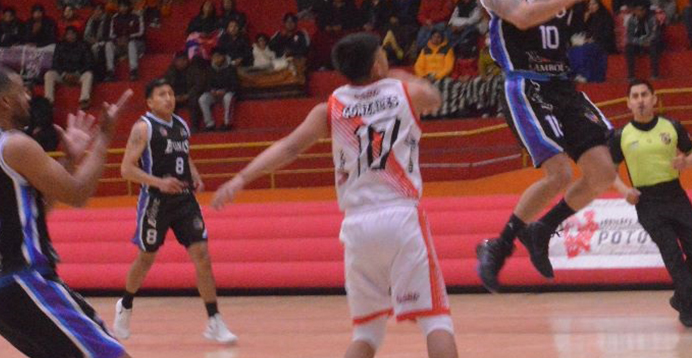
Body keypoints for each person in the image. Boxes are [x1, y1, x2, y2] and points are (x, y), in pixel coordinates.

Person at [211, 34, 457, 358]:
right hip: (400, 216)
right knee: (436, 320)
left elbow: (289, 147)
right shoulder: (404, 92)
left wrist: (242, 177)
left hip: (356, 227)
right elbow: (435, 97)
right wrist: (402, 75)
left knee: (367, 332)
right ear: (377, 63)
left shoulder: (331, 106)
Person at [475, 0, 667, 293]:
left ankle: (543, 228)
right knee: (560, 173)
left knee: (600, 170)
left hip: (562, 86)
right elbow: (524, 16)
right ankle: (499, 245)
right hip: (525, 84)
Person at [0, 78, 132, 358]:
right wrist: (105, 137)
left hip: (9, 291)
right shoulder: (16, 146)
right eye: (21, 90)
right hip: (25, 280)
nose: (28, 96)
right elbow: (78, 193)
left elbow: (33, 211)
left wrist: (70, 161)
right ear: (4, 101)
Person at [113, 79, 236, 345]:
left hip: (184, 200)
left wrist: (195, 175)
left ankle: (214, 319)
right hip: (155, 200)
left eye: (170, 93)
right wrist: (159, 182)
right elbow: (126, 169)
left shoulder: (181, 125)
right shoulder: (142, 128)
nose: (168, 98)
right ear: (149, 102)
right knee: (146, 258)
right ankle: (125, 305)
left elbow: (185, 156)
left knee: (202, 254)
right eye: (161, 95)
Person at [609, 79, 692, 328]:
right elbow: (608, 172)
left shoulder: (672, 126)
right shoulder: (620, 136)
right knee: (672, 254)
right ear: (629, 103)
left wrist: (686, 163)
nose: (641, 100)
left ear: (654, 99)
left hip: (676, 196)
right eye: (635, 96)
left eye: (645, 95)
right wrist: (624, 190)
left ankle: (682, 300)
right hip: (647, 202)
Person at [45, 26, 95, 110]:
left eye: (72, 34)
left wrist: (77, 73)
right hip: (63, 75)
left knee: (88, 75)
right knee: (49, 74)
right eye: (68, 34)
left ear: (76, 35)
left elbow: (89, 63)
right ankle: (49, 101)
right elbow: (55, 63)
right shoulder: (60, 46)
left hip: (78, 75)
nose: (70, 36)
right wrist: (64, 74)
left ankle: (84, 100)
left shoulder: (83, 45)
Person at [106, 0, 145, 81]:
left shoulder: (137, 16)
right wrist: (117, 40)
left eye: (125, 6)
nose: (123, 9)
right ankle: (110, 71)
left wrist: (128, 38)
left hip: (136, 44)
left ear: (129, 6)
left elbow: (141, 33)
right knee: (108, 45)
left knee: (131, 44)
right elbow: (111, 34)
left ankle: (133, 71)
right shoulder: (115, 18)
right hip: (120, 45)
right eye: (121, 6)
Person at [163, 51, 208, 123]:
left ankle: (194, 124)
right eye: (177, 61)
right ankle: (169, 125)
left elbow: (199, 84)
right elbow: (165, 85)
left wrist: (188, 95)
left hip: (190, 94)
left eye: (182, 60)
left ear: (186, 60)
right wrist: (173, 95)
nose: (179, 63)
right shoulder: (171, 71)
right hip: (176, 95)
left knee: (195, 100)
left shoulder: (194, 69)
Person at [199, 49, 238, 131]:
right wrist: (211, 90)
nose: (216, 59)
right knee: (202, 99)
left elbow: (235, 85)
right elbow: (206, 84)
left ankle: (227, 123)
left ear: (223, 57)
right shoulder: (209, 69)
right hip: (215, 93)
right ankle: (209, 123)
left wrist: (225, 90)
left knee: (228, 98)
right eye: (214, 57)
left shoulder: (231, 68)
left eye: (218, 56)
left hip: (227, 92)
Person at [624, 5, 662, 79]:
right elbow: (629, 36)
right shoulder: (631, 20)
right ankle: (631, 75)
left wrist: (647, 41)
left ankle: (655, 74)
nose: (639, 13)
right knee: (628, 47)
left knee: (654, 45)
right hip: (638, 43)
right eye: (637, 10)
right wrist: (640, 43)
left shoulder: (652, 19)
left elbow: (655, 33)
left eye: (641, 10)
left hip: (651, 42)